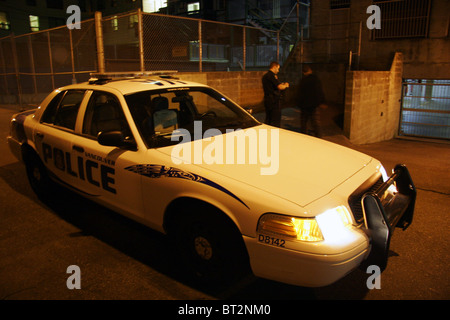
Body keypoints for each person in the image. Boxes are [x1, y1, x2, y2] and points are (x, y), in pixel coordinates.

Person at [297, 65, 325, 138]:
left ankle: (304, 136)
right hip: (313, 104)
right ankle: (319, 137)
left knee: (304, 122)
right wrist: (322, 101)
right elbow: (320, 91)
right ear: (310, 70)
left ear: (303, 72)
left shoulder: (302, 80)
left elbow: (299, 93)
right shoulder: (315, 79)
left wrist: (299, 104)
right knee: (315, 122)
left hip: (304, 105)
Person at [262, 61, 289, 127]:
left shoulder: (265, 76)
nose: (278, 70)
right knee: (275, 120)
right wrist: (285, 85)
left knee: (268, 119)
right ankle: (274, 135)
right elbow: (280, 87)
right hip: (274, 101)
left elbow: (272, 86)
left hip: (267, 100)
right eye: (278, 68)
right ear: (274, 67)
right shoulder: (272, 76)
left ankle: (267, 134)